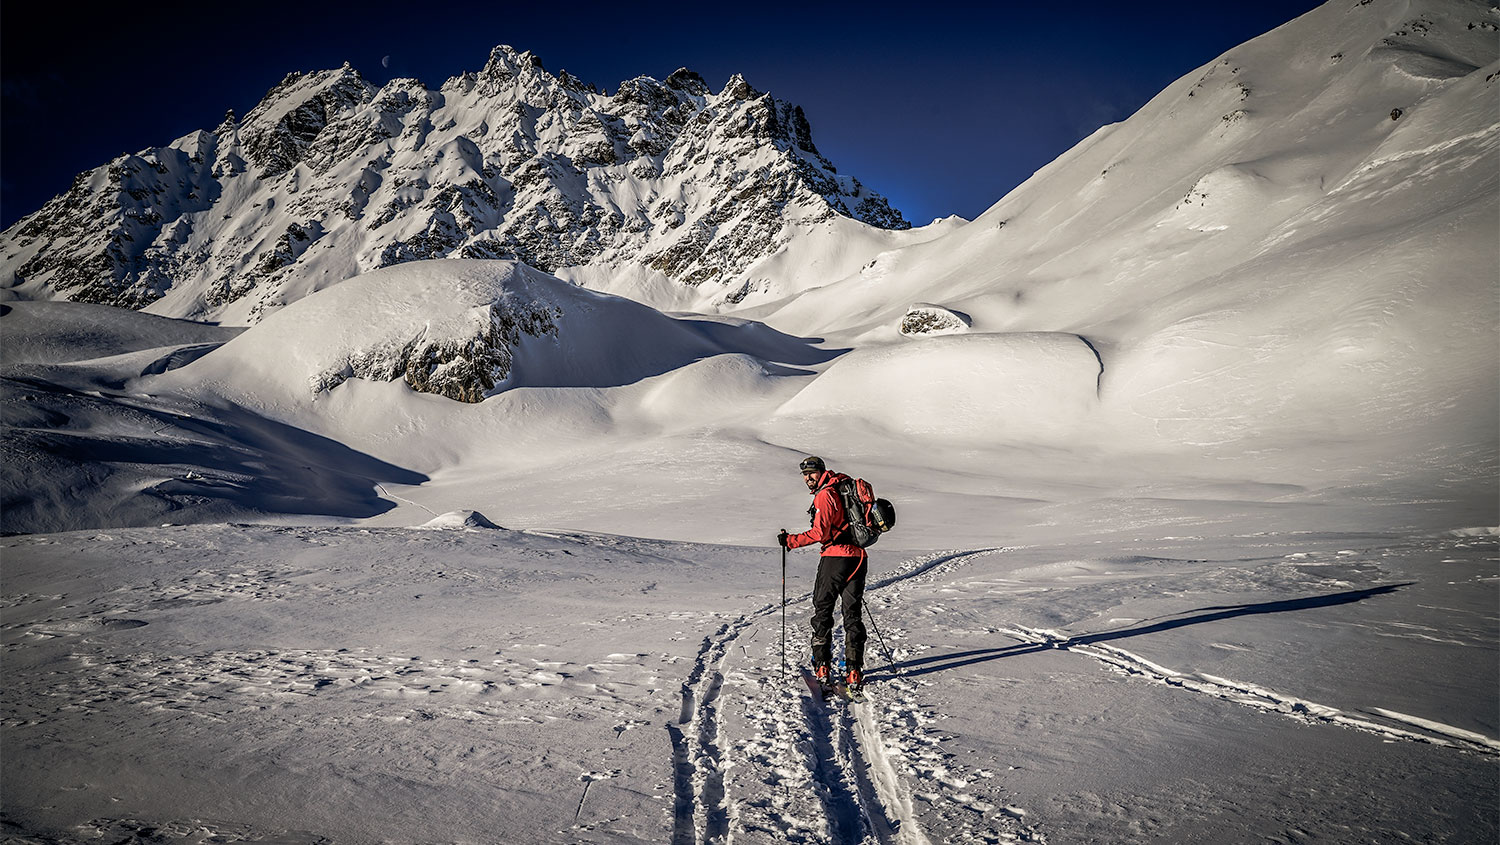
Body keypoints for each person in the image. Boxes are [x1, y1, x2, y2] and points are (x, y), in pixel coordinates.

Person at [778, 455, 867, 689]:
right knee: (852, 614)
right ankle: (853, 671)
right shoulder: (842, 487)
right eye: (805, 474)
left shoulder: (825, 494)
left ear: (822, 472)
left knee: (823, 610)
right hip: (858, 558)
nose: (808, 478)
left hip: (835, 558)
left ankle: (822, 666)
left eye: (812, 473)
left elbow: (820, 533)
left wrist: (791, 541)